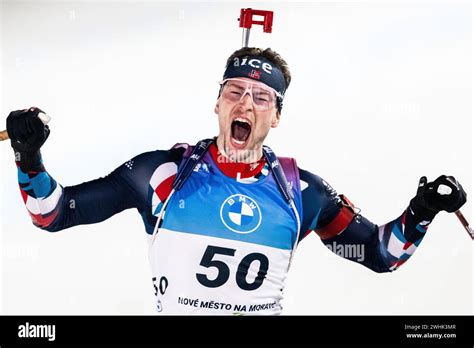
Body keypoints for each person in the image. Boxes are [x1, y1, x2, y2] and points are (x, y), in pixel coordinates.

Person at [6, 47, 467, 315]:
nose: (245, 103)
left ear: (277, 117)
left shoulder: (302, 193)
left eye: (262, 97)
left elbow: (376, 253)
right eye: (235, 91)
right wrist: (28, 154)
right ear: (217, 104)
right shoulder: (161, 175)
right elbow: (53, 213)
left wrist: (420, 212)